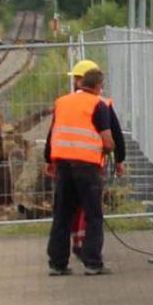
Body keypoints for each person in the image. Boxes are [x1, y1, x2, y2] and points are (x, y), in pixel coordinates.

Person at [45, 63, 126, 276]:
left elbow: (51, 133)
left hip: (63, 164)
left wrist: (49, 160)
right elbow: (108, 139)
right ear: (99, 86)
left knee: (62, 214)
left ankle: (57, 263)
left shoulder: (61, 102)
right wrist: (112, 154)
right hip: (87, 167)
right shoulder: (98, 104)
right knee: (93, 215)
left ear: (80, 83)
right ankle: (92, 262)